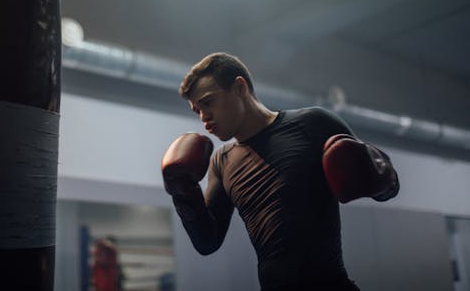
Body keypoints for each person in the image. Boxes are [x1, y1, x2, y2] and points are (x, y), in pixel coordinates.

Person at [161, 52, 399, 291]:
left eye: (208, 102)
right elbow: (207, 242)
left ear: (239, 87)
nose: (204, 117)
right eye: (197, 111)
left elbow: (389, 187)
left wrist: (376, 175)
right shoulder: (221, 162)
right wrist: (184, 192)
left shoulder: (312, 124)